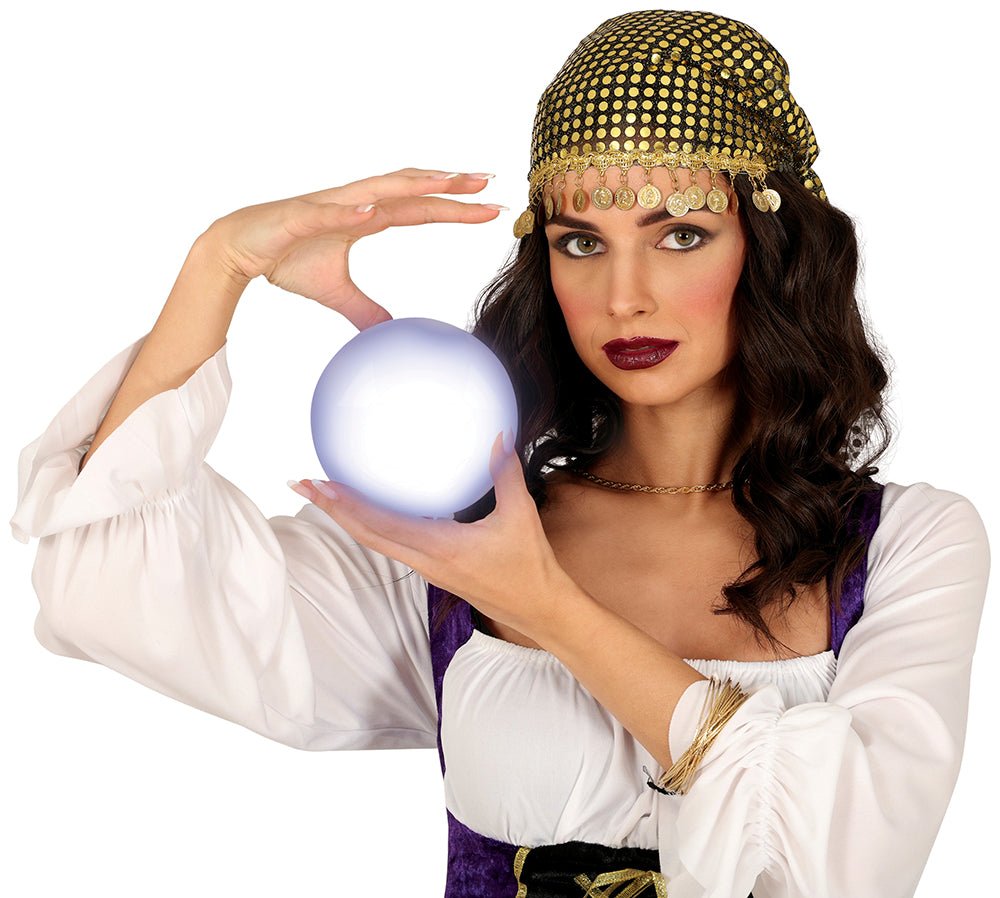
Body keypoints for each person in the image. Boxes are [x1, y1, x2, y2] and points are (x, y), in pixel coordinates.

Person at [9, 9, 990, 898]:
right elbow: (112, 584)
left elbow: (846, 858)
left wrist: (546, 606)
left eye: (680, 235)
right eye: (580, 243)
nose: (623, 296)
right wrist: (220, 262)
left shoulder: (906, 543)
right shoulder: (457, 544)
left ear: (771, 252)